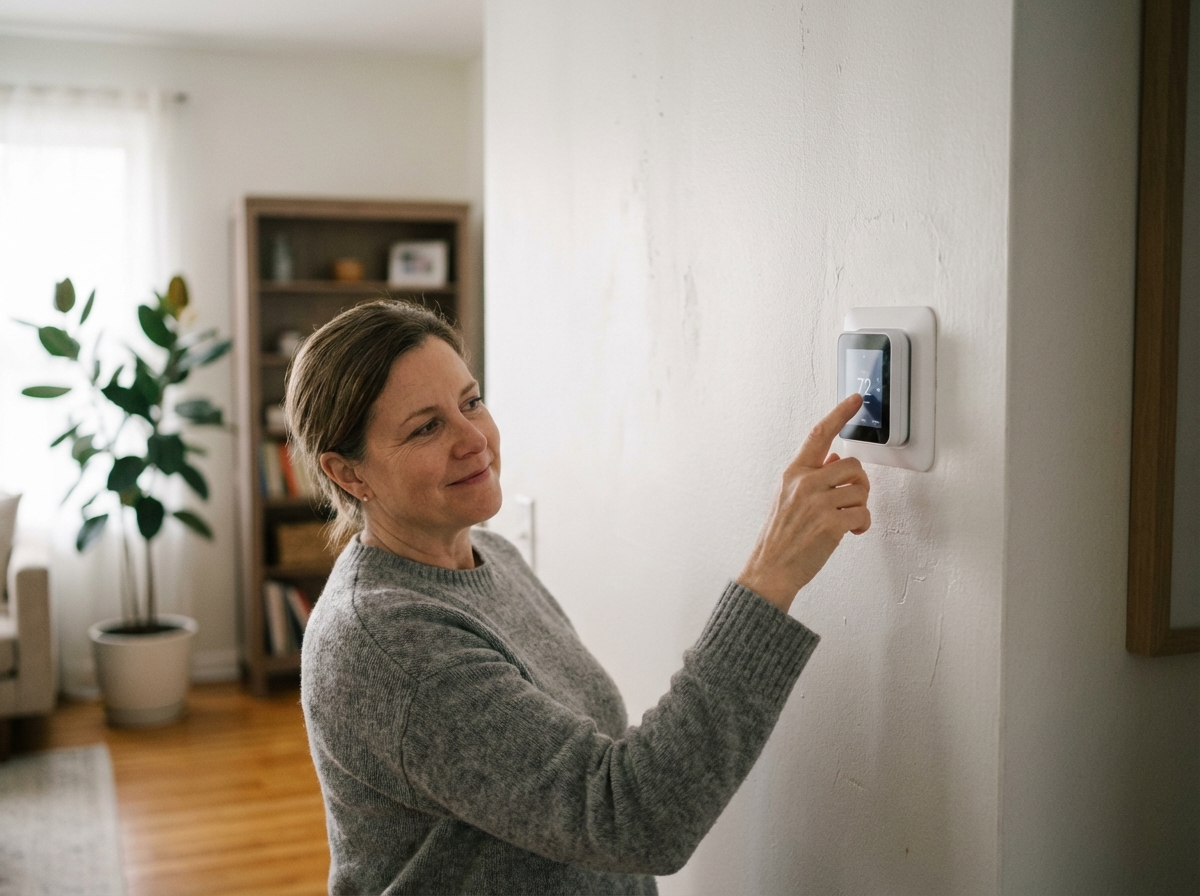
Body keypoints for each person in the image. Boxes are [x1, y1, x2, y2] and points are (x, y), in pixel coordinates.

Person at [286, 299, 871, 896]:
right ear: (349, 474)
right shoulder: (388, 644)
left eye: (471, 402)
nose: (474, 439)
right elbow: (630, 816)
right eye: (426, 428)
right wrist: (772, 573)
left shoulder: (490, 555)